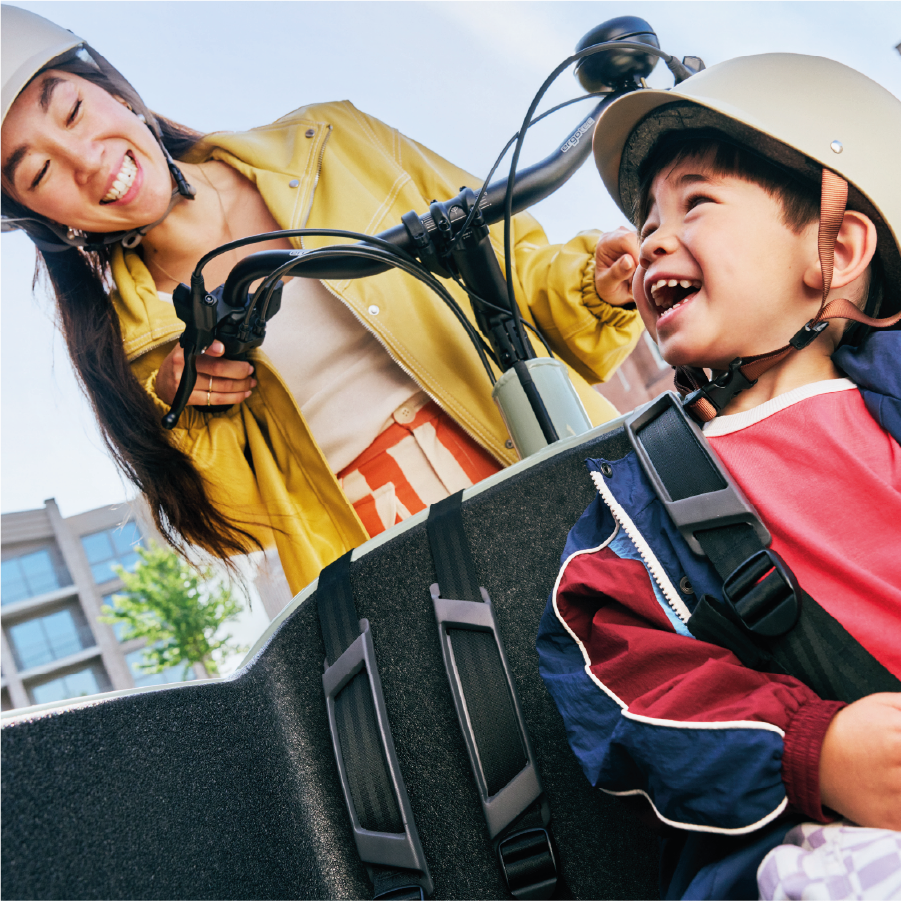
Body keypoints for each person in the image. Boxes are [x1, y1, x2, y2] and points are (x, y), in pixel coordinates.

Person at [0, 6, 643, 594]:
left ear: (117, 95)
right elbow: (242, 524)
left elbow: (514, 268)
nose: (84, 159)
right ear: (41, 216)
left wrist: (598, 282)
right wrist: (191, 416)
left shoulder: (334, 141)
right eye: (39, 172)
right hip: (387, 559)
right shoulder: (141, 349)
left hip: (529, 443)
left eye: (75, 112)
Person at [536, 52, 901, 900]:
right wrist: (809, 746)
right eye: (648, 216)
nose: (650, 239)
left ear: (836, 247)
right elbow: (620, 687)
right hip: (836, 841)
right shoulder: (636, 510)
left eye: (696, 202)